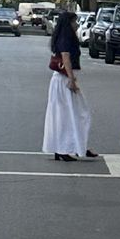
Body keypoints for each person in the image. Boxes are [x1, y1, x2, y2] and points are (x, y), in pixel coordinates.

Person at [43, 10, 97, 161]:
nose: (77, 24)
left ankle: (72, 146)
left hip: (62, 79)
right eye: (74, 21)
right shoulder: (66, 37)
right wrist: (71, 79)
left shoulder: (61, 36)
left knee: (67, 114)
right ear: (69, 23)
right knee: (76, 113)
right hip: (64, 79)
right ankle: (66, 147)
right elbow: (66, 58)